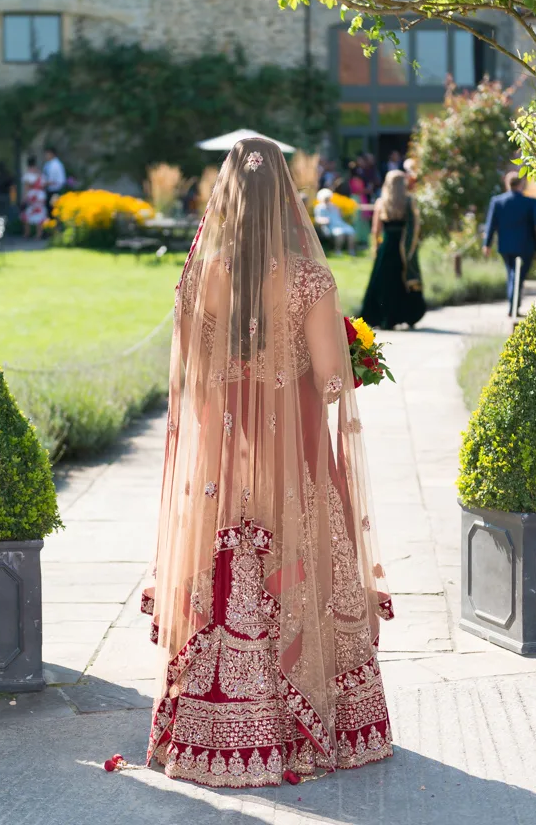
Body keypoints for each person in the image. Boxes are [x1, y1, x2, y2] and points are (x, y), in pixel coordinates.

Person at [140, 138, 393, 787]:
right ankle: (309, 726)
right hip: (297, 457)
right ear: (285, 194)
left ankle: (213, 731)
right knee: (301, 556)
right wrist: (346, 359)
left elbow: (191, 381)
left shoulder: (201, 275)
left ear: (225, 194)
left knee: (227, 568)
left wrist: (235, 391)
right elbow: (330, 380)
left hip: (226, 457)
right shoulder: (308, 278)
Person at [361, 170, 426, 330]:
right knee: (402, 280)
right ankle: (406, 315)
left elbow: (376, 230)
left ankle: (383, 317)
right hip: (402, 246)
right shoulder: (409, 200)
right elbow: (415, 225)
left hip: (387, 246)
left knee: (384, 282)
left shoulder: (381, 202)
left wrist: (376, 247)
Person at [483, 172, 536, 315]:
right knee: (518, 276)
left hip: (506, 246)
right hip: (525, 246)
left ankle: (513, 305)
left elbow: (491, 224)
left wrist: (487, 244)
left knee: (512, 274)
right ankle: (513, 306)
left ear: (507, 184)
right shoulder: (530, 202)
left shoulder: (497, 201)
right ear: (521, 184)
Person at [313, 187, 356, 254]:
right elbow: (317, 219)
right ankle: (337, 250)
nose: (327, 200)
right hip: (329, 226)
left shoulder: (334, 206)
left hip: (340, 224)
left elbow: (340, 217)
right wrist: (324, 220)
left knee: (351, 232)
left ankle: (351, 250)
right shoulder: (319, 207)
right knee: (340, 234)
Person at [21, 155, 48, 239]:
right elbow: (44, 184)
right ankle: (39, 234)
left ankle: (27, 233)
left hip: (32, 195)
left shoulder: (28, 174)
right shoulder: (39, 173)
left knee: (27, 214)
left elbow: (26, 188)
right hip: (40, 195)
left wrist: (24, 198)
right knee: (39, 214)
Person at [42, 146, 66, 216]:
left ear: (52, 154)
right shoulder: (47, 164)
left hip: (55, 191)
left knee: (55, 211)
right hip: (48, 191)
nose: (46, 156)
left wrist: (48, 183)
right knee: (49, 211)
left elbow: (60, 180)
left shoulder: (57, 165)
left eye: (47, 154)